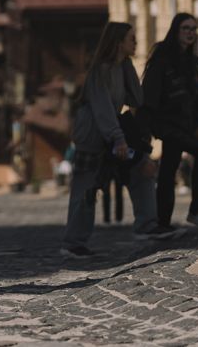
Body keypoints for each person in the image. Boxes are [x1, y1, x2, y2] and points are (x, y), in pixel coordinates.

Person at [60, 21, 156, 257]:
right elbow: (102, 109)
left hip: (113, 135)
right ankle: (73, 243)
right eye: (131, 39)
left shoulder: (122, 66)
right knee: (86, 190)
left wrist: (128, 66)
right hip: (93, 138)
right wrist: (119, 140)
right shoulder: (99, 72)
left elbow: (136, 98)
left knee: (141, 168)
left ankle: (147, 225)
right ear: (118, 42)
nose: (136, 42)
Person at [139, 13, 198, 238]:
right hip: (166, 123)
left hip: (185, 124)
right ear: (176, 31)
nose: (191, 32)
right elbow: (149, 96)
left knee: (168, 169)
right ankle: (197, 210)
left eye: (194, 29)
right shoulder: (162, 60)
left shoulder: (193, 63)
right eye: (186, 28)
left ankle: (162, 223)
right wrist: (144, 130)